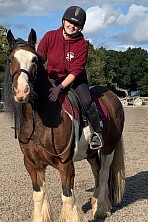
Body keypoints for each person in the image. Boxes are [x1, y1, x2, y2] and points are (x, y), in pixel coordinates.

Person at [37, 6, 104, 150]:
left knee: (86, 101)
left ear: (80, 27)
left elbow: (75, 71)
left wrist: (59, 89)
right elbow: (40, 58)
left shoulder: (82, 45)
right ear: (63, 20)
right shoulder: (50, 36)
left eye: (76, 24)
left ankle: (97, 133)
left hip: (76, 80)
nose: (72, 26)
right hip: (53, 78)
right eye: (69, 22)